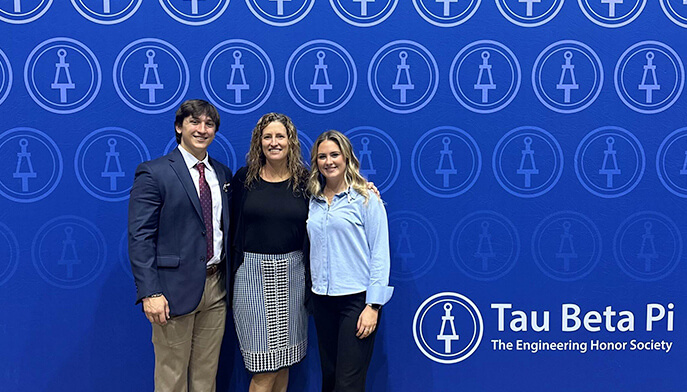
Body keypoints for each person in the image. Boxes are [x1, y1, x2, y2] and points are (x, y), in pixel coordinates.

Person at [128, 99, 232, 392]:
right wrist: (150, 291)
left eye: (209, 124)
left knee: (205, 377)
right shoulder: (154, 172)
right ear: (179, 127)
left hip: (216, 288)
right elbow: (140, 236)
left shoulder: (221, 174)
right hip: (172, 292)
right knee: (171, 377)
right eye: (194, 122)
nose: (202, 129)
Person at [306, 130, 393, 392]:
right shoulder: (312, 199)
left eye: (335, 155)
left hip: (356, 301)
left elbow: (379, 252)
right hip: (322, 300)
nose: (328, 161)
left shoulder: (366, 199)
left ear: (347, 158)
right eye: (322, 156)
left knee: (348, 384)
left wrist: (373, 305)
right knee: (330, 378)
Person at [230, 113, 310, 392]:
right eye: (268, 137)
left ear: (290, 141)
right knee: (263, 368)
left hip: (293, 276)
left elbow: (335, 198)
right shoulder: (243, 180)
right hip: (251, 275)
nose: (274, 142)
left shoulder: (306, 181)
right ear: (258, 142)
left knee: (284, 362)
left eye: (280, 136)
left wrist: (366, 189)